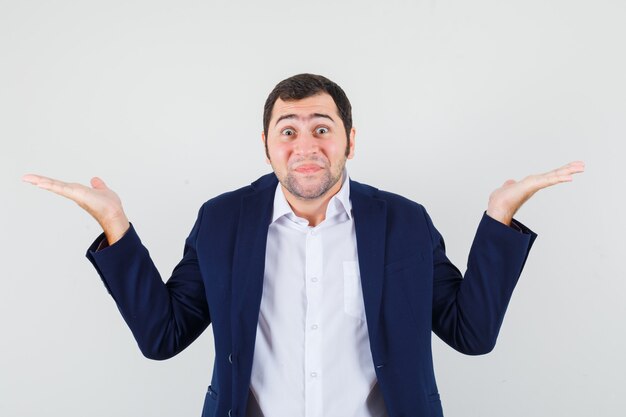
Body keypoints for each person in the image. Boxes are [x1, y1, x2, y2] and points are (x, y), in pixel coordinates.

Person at [23, 73, 585, 417]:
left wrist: (500, 217)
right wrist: (115, 223)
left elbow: (471, 333)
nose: (305, 144)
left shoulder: (405, 223)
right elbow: (163, 335)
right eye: (287, 130)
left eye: (322, 127)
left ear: (350, 140)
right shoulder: (222, 221)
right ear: (266, 145)